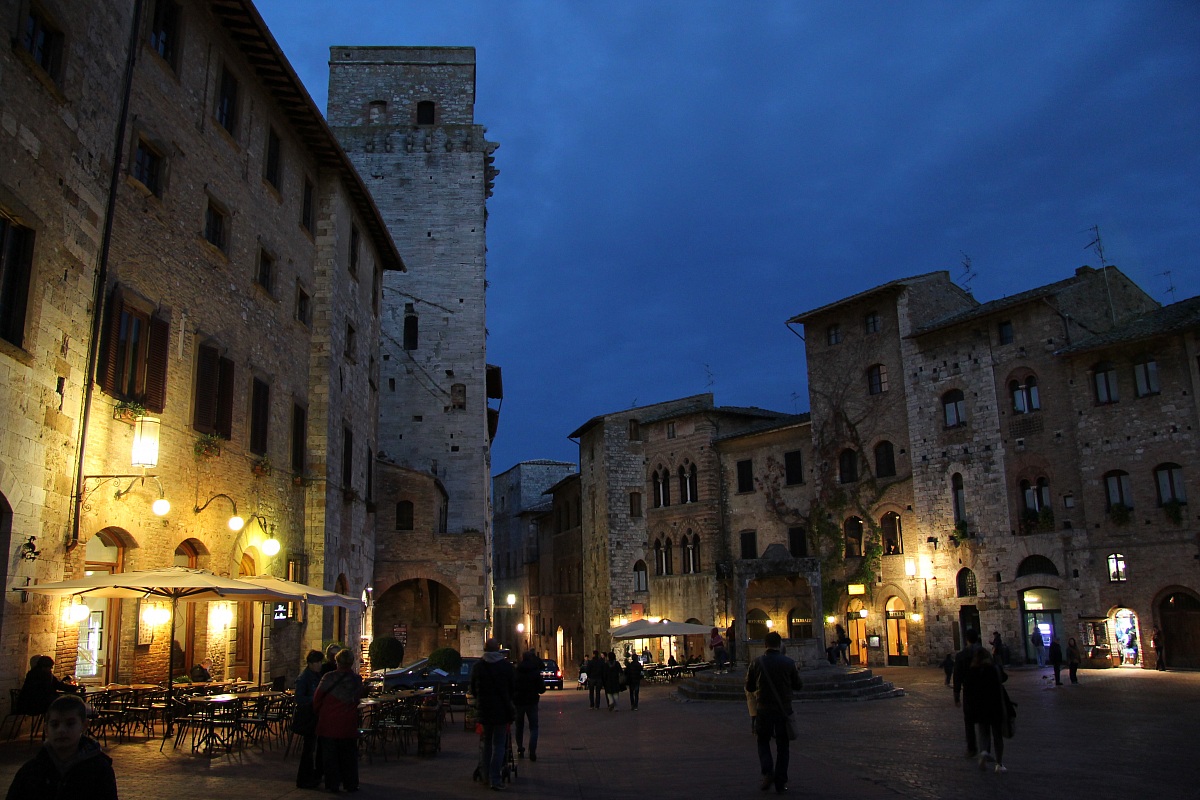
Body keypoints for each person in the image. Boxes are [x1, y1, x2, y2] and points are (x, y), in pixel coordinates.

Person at [5, 694, 117, 800]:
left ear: (84, 726)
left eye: (70, 724)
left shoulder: (99, 771)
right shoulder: (31, 772)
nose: (61, 730)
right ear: (46, 729)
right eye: (55, 725)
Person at [745, 630, 802, 794]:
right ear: (780, 644)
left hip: (763, 709)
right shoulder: (789, 663)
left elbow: (749, 687)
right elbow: (798, 685)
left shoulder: (756, 663)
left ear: (765, 645)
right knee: (783, 745)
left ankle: (767, 771)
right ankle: (781, 781)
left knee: (762, 741)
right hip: (784, 709)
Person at [313, 648, 366, 793]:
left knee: (330, 757)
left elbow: (317, 698)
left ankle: (333, 784)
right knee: (349, 756)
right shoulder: (356, 680)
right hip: (348, 723)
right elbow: (357, 699)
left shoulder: (328, 677)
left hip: (329, 722)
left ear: (337, 661)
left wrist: (320, 711)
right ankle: (351, 783)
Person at [469, 637, 515, 791]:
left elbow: (473, 690)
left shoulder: (478, 667)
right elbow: (512, 689)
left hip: (485, 711)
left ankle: (485, 776)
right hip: (501, 711)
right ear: (498, 649)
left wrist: (481, 701)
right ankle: (495, 779)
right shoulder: (506, 666)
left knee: (486, 744)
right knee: (499, 745)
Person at [962, 648, 1007, 773]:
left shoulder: (972, 671)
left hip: (980, 708)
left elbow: (968, 690)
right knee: (997, 735)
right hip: (995, 706)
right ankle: (999, 763)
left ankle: (983, 752)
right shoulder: (993, 669)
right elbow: (1004, 678)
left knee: (983, 733)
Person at [293, 649, 325, 789]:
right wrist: (315, 699)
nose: (320, 665)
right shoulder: (304, 678)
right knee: (308, 749)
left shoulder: (317, 676)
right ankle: (304, 779)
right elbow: (299, 698)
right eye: (318, 662)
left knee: (312, 748)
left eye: (320, 662)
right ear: (311, 663)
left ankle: (312, 776)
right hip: (308, 717)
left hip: (315, 716)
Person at [952, 629, 983, 757]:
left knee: (969, 721)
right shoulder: (984, 653)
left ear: (966, 639)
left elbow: (957, 676)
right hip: (983, 690)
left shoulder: (961, 656)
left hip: (969, 691)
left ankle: (972, 748)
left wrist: (956, 695)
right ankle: (985, 748)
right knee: (984, 719)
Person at [513, 650, 545, 761]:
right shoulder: (535, 671)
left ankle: (520, 748)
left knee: (519, 727)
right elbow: (542, 689)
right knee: (534, 727)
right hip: (532, 702)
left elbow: (512, 687)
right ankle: (532, 751)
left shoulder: (516, 671)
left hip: (519, 702)